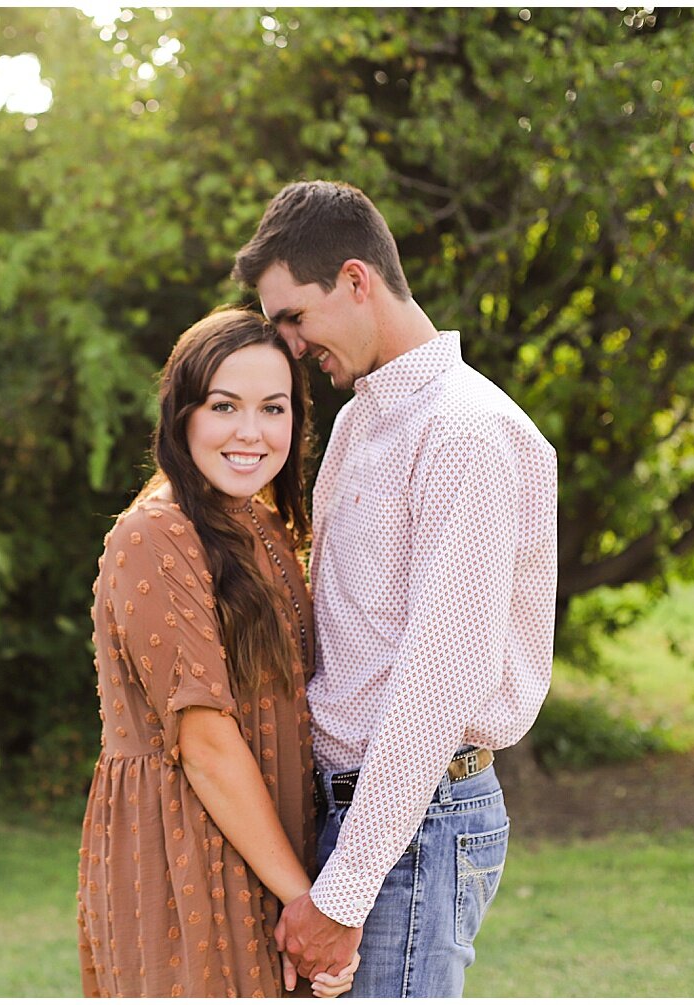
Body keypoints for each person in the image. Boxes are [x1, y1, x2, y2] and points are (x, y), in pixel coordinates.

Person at [231, 180, 558, 997]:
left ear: (354, 279)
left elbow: (436, 681)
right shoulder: (360, 420)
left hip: (418, 820)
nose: (292, 346)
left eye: (294, 318)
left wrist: (344, 892)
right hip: (352, 817)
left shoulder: (465, 433)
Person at [76, 308, 358, 998]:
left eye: (273, 407)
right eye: (224, 405)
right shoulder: (155, 534)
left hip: (263, 850)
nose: (251, 431)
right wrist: (308, 904)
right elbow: (204, 741)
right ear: (182, 415)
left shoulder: (260, 524)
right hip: (183, 861)